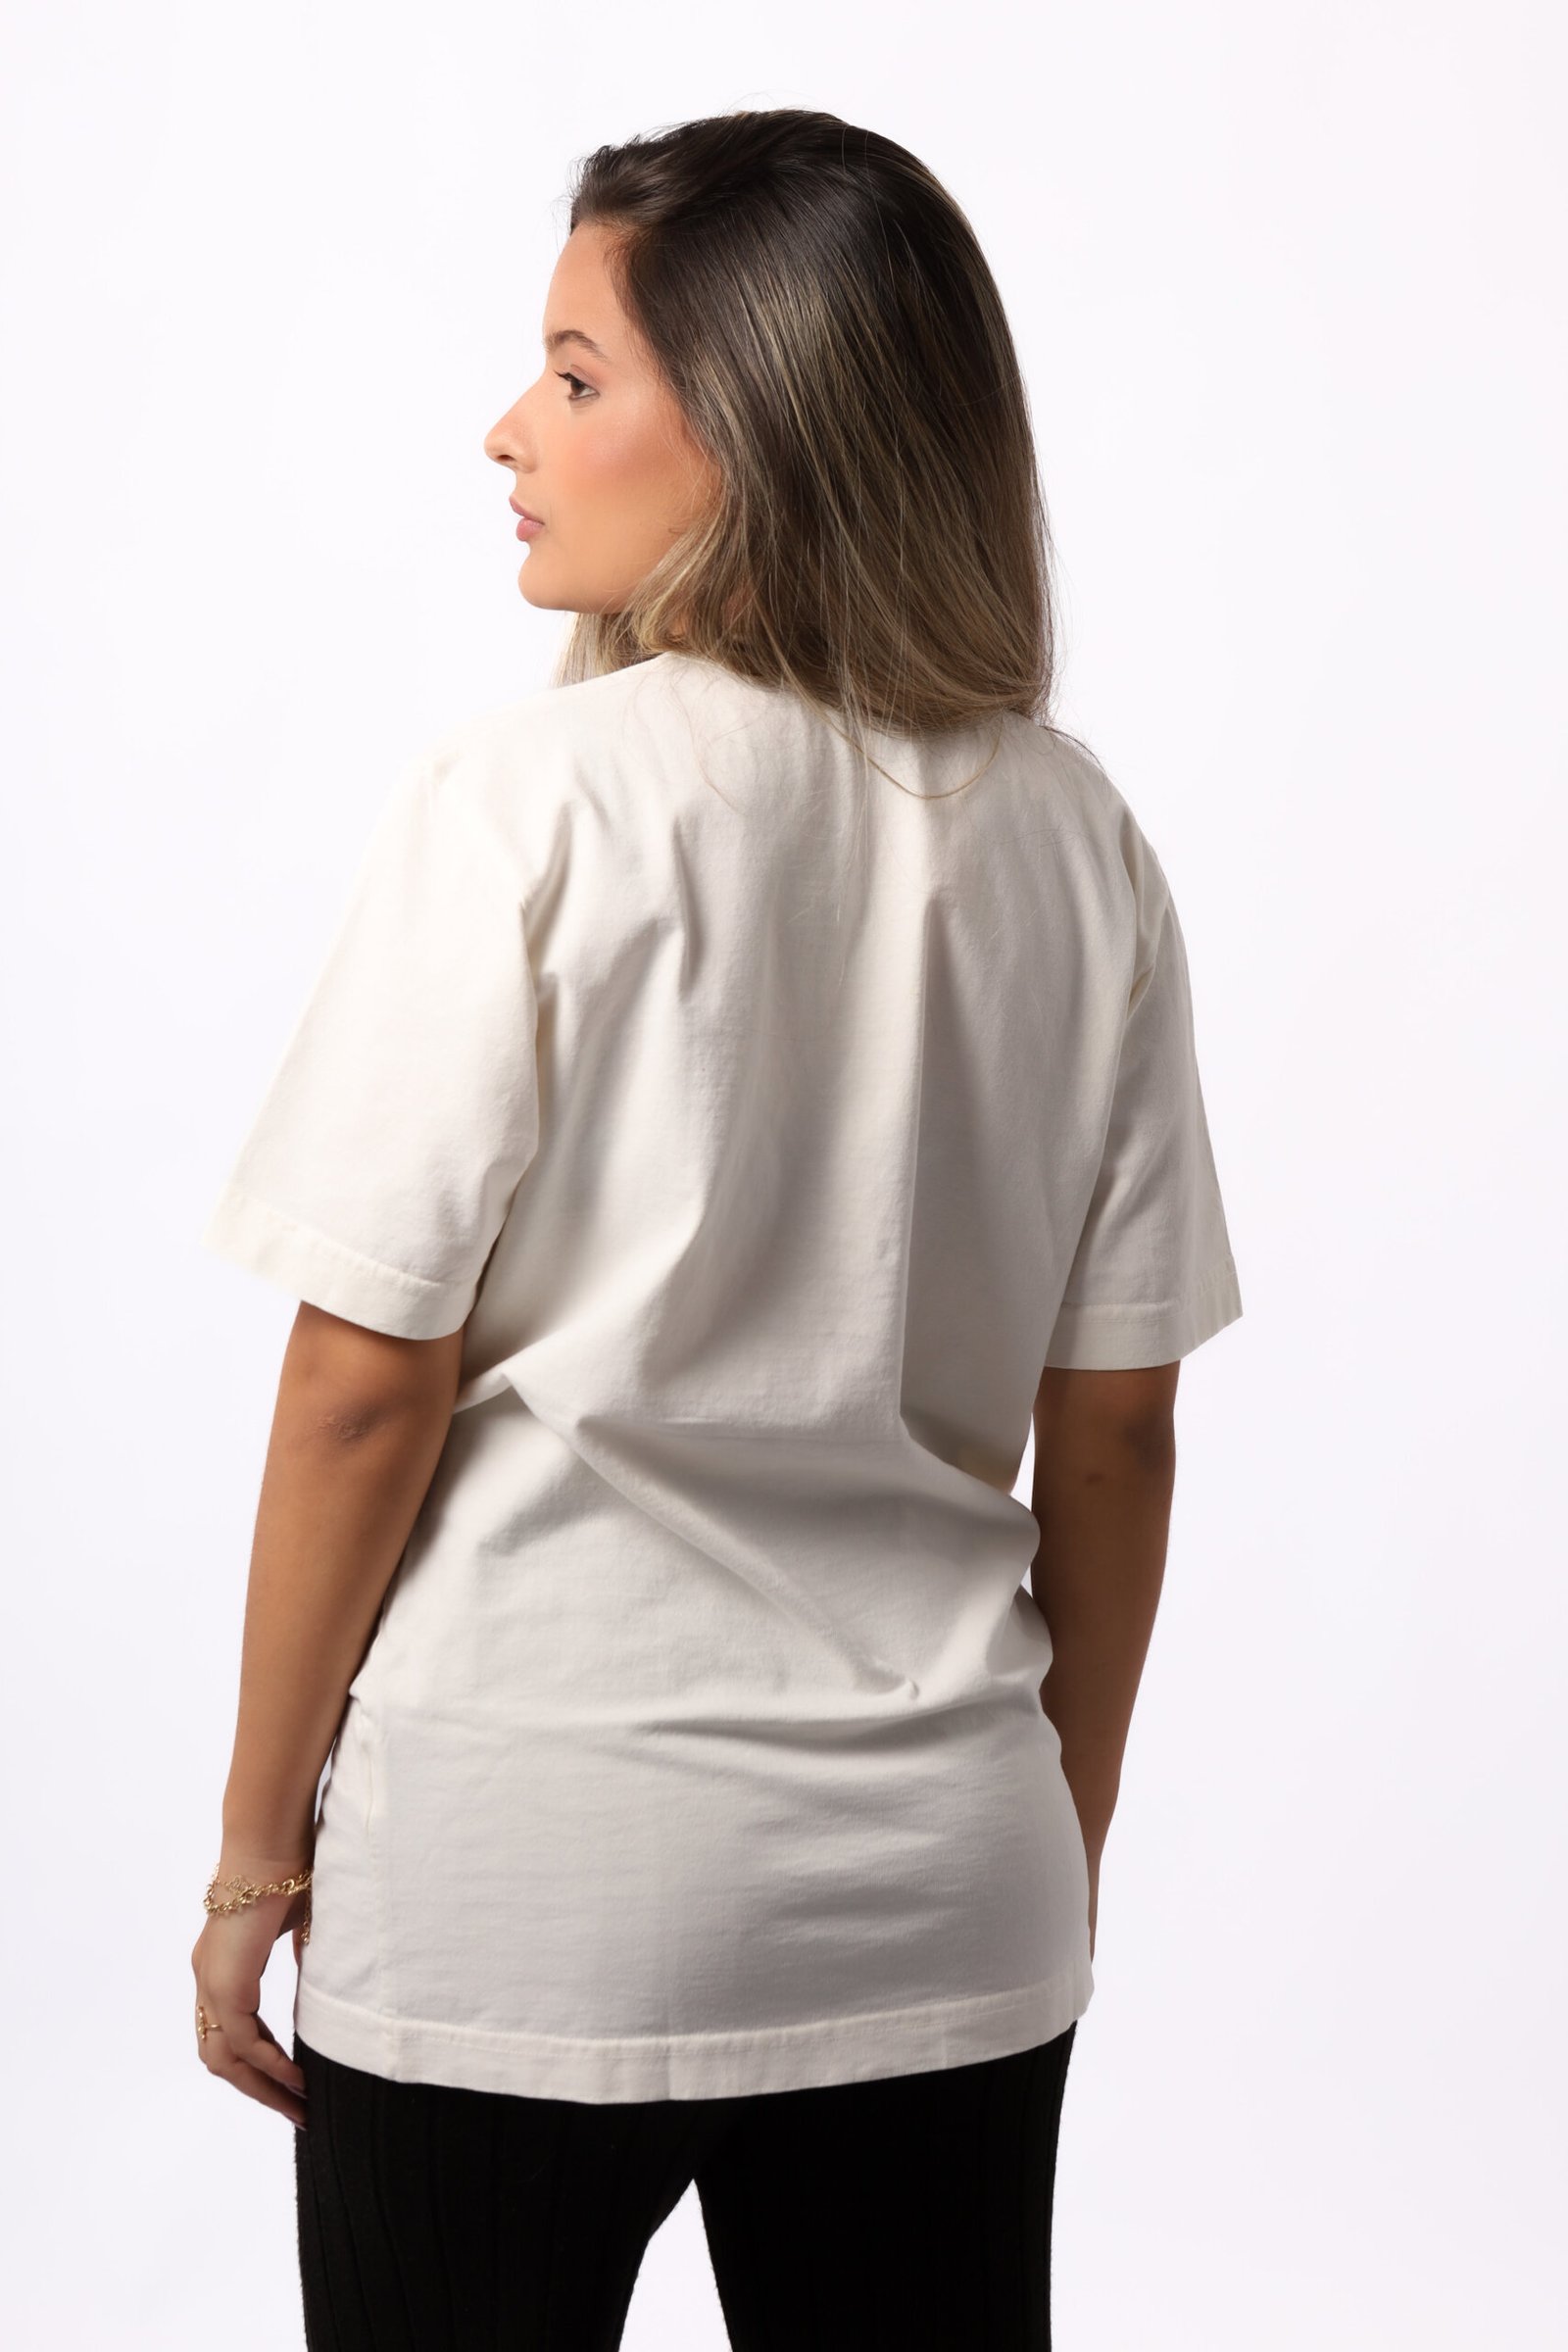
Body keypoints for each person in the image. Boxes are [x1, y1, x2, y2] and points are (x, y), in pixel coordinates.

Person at [189, 107, 1243, 2351]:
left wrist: (252, 1863)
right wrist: (1038, 1837)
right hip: (938, 1884)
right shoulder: (1077, 844)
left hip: (521, 1877)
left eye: (576, 373)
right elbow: (1119, 1432)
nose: (509, 427)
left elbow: (361, 1386)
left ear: (757, 430)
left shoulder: (526, 804)